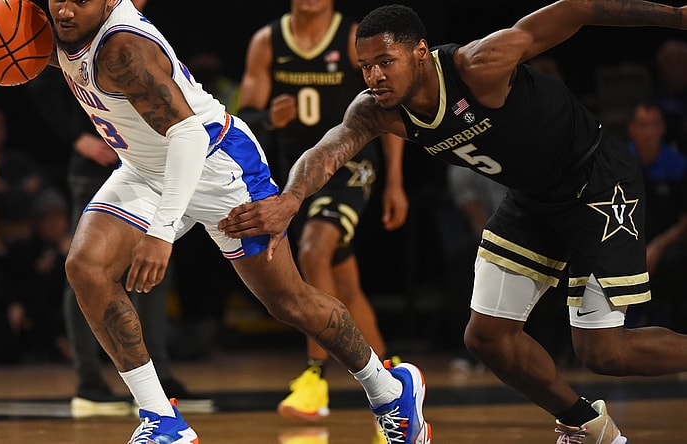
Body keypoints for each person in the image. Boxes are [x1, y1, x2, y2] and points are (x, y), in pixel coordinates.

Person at [218, 2, 687, 443]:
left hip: (594, 182)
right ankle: (587, 424)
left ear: (420, 53)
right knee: (486, 338)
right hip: (534, 197)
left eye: (386, 61)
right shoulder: (376, 108)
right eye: (365, 66)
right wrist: (290, 198)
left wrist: (675, 16)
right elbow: (329, 148)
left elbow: (576, 9)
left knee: (604, 354)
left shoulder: (478, 65)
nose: (374, 76)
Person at [45, 1, 430, 443]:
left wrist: (162, 232)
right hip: (145, 168)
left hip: (216, 165)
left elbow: (188, 134)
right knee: (86, 268)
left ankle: (389, 390)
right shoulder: (51, 26)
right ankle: (160, 420)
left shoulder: (123, 49)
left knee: (289, 301)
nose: (67, 8)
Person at [26, 0, 213, 415]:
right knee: (84, 270)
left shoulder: (125, 34)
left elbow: (184, 128)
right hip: (102, 161)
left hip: (161, 161)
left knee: (150, 272)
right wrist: (77, 139)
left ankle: (157, 376)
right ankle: (89, 380)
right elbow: (40, 85)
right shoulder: (71, 29)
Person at [238, 0, 408, 427]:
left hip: (350, 167)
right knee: (343, 282)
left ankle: (316, 378)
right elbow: (246, 114)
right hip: (299, 175)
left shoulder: (354, 39)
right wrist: (269, 119)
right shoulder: (267, 41)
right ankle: (391, 377)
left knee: (314, 248)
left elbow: (388, 110)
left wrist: (394, 183)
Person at [623, 101, 687, 331]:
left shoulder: (678, 166)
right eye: (642, 125)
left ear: (662, 129)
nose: (648, 132)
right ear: (631, 129)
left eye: (654, 125)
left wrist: (658, 247)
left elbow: (684, 220)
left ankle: (668, 323)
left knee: (675, 263)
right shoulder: (618, 164)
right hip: (626, 241)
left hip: (667, 244)